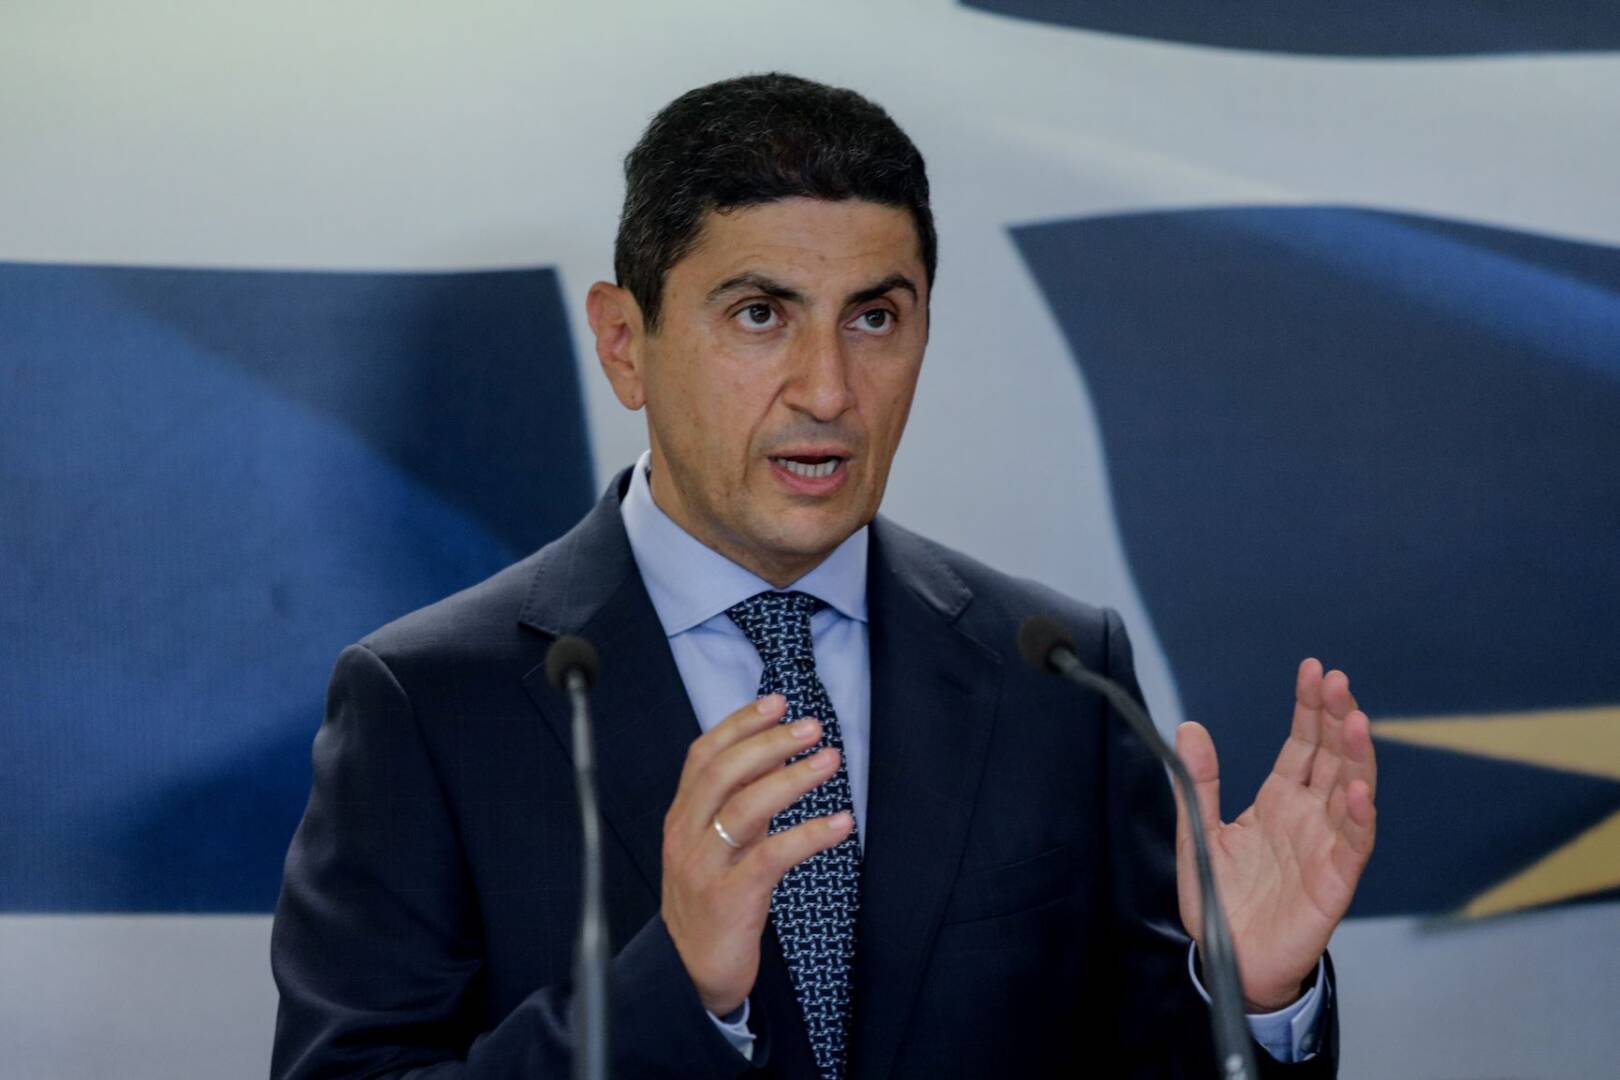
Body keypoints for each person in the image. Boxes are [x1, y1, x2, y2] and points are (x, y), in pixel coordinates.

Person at [271, 73, 1376, 1078]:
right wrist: (676, 991)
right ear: (624, 342)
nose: (830, 390)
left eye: (874, 318)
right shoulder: (431, 702)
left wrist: (1251, 999)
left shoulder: (1056, 672)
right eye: (761, 315)